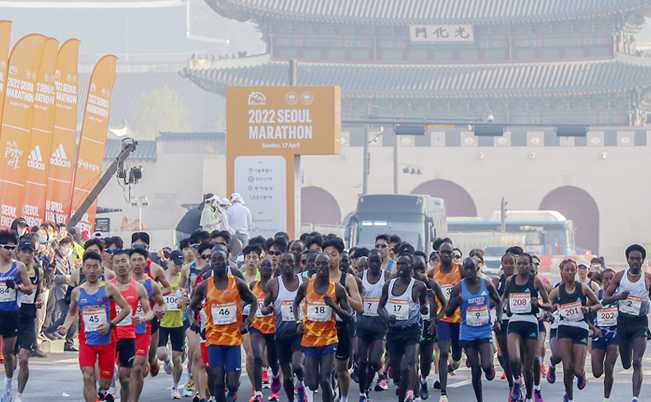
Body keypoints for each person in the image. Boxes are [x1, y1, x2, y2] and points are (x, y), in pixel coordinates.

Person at [57, 251, 131, 402]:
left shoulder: (109, 288)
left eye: (95, 267)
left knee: (104, 383)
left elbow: (126, 308)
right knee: (88, 376)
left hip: (107, 341)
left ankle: (103, 392)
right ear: (83, 268)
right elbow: (72, 312)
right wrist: (65, 326)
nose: (92, 270)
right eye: (88, 267)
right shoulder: (77, 292)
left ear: (101, 268)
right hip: (87, 341)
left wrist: (111, 324)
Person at [189, 246, 258, 402]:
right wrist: (193, 321)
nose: (217, 262)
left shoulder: (237, 283)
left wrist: (248, 320)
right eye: (214, 260)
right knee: (218, 380)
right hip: (214, 338)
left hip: (233, 338)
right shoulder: (204, 285)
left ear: (227, 261)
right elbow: (191, 307)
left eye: (221, 259)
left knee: (232, 383)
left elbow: (253, 301)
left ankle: (233, 391)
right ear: (211, 263)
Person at [294, 253, 352, 402]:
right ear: (314, 266)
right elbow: (295, 303)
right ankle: (328, 392)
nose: (321, 267)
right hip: (310, 339)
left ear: (329, 265)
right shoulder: (306, 286)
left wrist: (334, 306)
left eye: (324, 264)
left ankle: (330, 394)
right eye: (318, 264)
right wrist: (298, 321)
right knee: (312, 383)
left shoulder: (337, 289)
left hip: (329, 339)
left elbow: (349, 316)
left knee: (325, 379)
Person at [445, 257, 502, 402]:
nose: (469, 271)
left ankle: (490, 369)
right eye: (466, 268)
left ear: (478, 268)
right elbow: (448, 312)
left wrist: (499, 320)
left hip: (484, 330)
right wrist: (456, 302)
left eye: (472, 268)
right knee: (475, 369)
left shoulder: (486, 284)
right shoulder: (458, 287)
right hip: (467, 332)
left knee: (486, 366)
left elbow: (499, 301)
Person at [603, 244, 651, 402]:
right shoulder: (619, 276)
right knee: (626, 364)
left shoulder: (647, 278)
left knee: (637, 362)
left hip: (640, 323)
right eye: (632, 258)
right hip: (623, 323)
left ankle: (635, 398)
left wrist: (646, 304)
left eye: (638, 258)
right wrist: (618, 297)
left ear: (642, 260)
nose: (635, 261)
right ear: (628, 260)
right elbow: (605, 299)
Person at [548, 259, 601, 402]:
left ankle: (581, 375)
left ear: (576, 271)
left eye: (573, 270)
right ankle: (569, 397)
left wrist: (588, 309)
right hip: (564, 328)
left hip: (580, 328)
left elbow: (598, 304)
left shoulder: (582, 287)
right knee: (567, 367)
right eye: (567, 270)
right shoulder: (557, 290)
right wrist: (547, 312)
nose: (570, 272)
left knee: (577, 370)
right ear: (561, 271)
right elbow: (547, 305)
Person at [378, 252, 428, 402]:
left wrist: (424, 308)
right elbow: (380, 308)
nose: (400, 267)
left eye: (403, 264)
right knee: (396, 369)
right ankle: (402, 384)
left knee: (411, 362)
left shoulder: (419, 286)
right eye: (398, 264)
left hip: (412, 330)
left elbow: (423, 306)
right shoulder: (389, 285)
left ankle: (411, 393)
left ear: (411, 266)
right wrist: (387, 317)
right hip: (394, 331)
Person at [503, 253, 551, 402]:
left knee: (528, 368)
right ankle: (517, 382)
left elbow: (549, 304)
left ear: (530, 266)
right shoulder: (510, 281)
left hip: (531, 323)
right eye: (519, 264)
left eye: (525, 264)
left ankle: (530, 396)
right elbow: (502, 301)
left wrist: (539, 304)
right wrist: (504, 310)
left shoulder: (535, 281)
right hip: (514, 322)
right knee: (514, 358)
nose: (522, 266)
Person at [110, 249, 155, 402]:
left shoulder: (139, 287)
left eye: (124, 261)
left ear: (128, 264)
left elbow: (149, 312)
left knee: (131, 372)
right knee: (119, 377)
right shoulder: (107, 287)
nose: (121, 265)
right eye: (117, 262)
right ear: (113, 266)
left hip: (132, 335)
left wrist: (142, 318)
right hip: (112, 336)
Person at [323, 236, 362, 402]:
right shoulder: (316, 279)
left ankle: (344, 397)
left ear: (340, 256)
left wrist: (344, 296)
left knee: (341, 369)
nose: (329, 258)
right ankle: (330, 392)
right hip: (321, 327)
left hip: (342, 327)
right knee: (325, 369)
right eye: (326, 254)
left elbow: (359, 306)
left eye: (333, 254)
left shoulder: (348, 279)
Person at [263, 253, 306, 402]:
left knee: (297, 365)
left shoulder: (304, 282)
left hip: (299, 333)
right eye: (283, 262)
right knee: (287, 375)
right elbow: (265, 305)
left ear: (295, 264)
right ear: (279, 265)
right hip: (281, 335)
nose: (287, 264)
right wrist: (266, 310)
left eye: (290, 261)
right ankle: (291, 399)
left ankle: (301, 382)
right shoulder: (273, 284)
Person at [131, 232, 171, 377]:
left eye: (142, 246)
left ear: (148, 247)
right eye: (135, 246)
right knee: (135, 361)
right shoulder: (126, 268)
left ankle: (162, 360)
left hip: (151, 314)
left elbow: (168, 288)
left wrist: (153, 293)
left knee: (151, 360)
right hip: (131, 317)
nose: (138, 248)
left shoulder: (155, 268)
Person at [0, 231, 33, 402]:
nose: (10, 251)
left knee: (7, 354)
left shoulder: (19, 267)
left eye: (13, 248)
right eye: (7, 247)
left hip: (11, 314)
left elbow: (30, 288)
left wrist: (17, 286)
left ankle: (7, 384)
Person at [129, 247, 163, 402]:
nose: (137, 263)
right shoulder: (119, 283)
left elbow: (161, 303)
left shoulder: (151, 284)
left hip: (143, 329)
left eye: (140, 260)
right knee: (125, 372)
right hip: (123, 331)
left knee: (137, 369)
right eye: (134, 260)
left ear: (145, 262)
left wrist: (158, 311)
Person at [355, 250, 389, 402]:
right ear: (367, 262)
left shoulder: (387, 277)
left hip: (379, 325)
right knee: (361, 360)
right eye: (371, 261)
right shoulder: (359, 277)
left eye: (377, 261)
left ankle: (367, 386)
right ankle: (363, 393)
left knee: (374, 361)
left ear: (381, 262)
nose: (374, 264)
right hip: (363, 324)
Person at [432, 241, 462, 402]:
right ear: (439, 254)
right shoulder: (433, 272)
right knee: (443, 352)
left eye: (449, 253)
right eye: (443, 252)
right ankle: (443, 393)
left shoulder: (460, 270)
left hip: (459, 319)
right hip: (442, 318)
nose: (446, 255)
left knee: (456, 354)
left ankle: (455, 362)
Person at [413, 253, 446, 400]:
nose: (420, 273)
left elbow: (445, 305)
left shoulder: (433, 284)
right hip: (412, 329)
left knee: (426, 363)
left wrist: (435, 320)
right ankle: (414, 390)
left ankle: (423, 380)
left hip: (429, 328)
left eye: (422, 269)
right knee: (412, 361)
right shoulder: (407, 285)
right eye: (416, 270)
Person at [157, 250, 189, 399]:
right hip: (162, 322)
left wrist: (184, 302)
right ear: (169, 261)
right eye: (176, 264)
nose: (178, 267)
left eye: (180, 265)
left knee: (178, 359)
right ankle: (166, 361)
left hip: (178, 323)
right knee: (161, 354)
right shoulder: (160, 278)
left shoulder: (182, 279)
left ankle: (175, 387)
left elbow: (186, 299)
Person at [249, 259, 281, 401]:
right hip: (257, 327)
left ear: (273, 268)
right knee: (257, 357)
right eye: (263, 265)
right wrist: (247, 319)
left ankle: (275, 379)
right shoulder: (253, 286)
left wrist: (271, 309)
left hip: (274, 329)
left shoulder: (277, 286)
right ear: (259, 268)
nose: (266, 268)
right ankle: (258, 393)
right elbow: (248, 303)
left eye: (269, 265)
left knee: (273, 361)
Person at [15, 238, 41, 402]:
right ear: (18, 253)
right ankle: (7, 385)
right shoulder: (12, 270)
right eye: (24, 251)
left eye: (30, 251)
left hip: (28, 319)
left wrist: (39, 301)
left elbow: (39, 291)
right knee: (10, 358)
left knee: (24, 359)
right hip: (11, 317)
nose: (27, 255)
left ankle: (18, 395)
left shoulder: (38, 271)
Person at [590, 268, 619, 402]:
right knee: (597, 372)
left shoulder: (620, 296)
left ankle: (606, 398)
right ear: (601, 281)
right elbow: (586, 313)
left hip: (614, 335)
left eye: (611, 278)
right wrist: (593, 328)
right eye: (606, 279)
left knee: (609, 367)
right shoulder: (596, 295)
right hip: (599, 335)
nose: (609, 281)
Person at [493, 253, 515, 389]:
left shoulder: (521, 280)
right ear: (501, 264)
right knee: (505, 354)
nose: (508, 265)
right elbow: (491, 301)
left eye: (511, 262)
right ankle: (512, 383)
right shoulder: (497, 281)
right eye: (505, 263)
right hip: (502, 320)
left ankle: (518, 377)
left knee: (516, 353)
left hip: (517, 320)